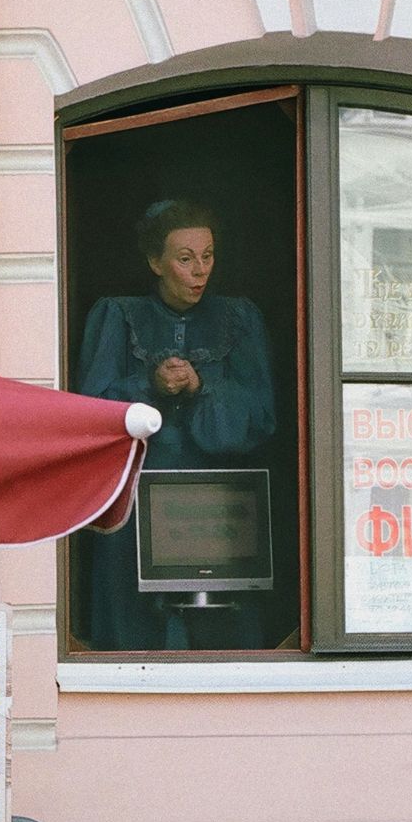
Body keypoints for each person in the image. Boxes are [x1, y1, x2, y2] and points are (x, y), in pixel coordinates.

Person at [77, 199, 275, 649]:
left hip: (217, 510)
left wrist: (202, 385)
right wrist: (149, 383)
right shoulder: (118, 316)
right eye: (185, 259)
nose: (200, 270)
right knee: (136, 637)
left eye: (208, 256)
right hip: (134, 504)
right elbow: (89, 413)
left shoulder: (238, 319)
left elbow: (263, 417)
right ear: (155, 262)